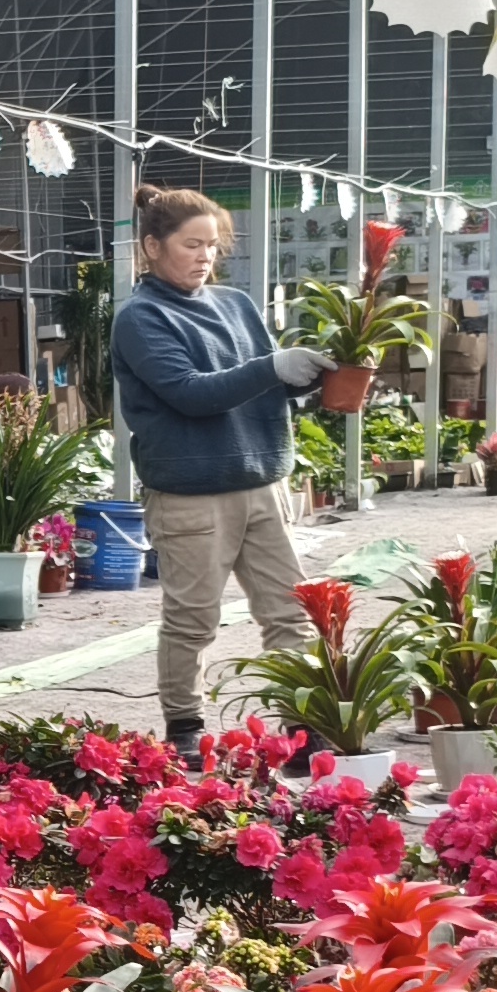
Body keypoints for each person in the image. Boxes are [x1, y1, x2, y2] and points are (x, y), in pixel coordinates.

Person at [107, 181, 323, 750]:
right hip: (192, 495)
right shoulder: (141, 318)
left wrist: (313, 377)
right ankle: (185, 728)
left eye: (212, 246)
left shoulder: (236, 305)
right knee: (194, 620)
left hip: (263, 483)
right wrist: (273, 368)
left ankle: (305, 729)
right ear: (152, 247)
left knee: (291, 612)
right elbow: (190, 393)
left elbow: (266, 383)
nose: (205, 256)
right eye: (191, 244)